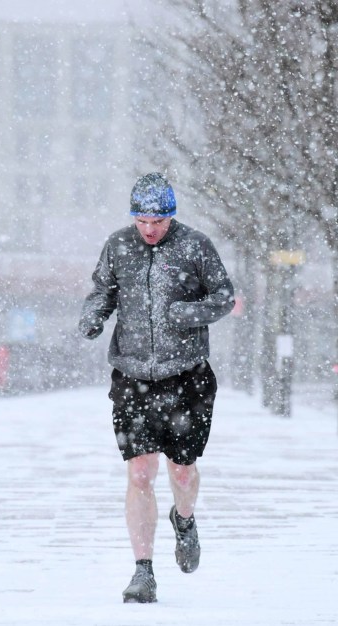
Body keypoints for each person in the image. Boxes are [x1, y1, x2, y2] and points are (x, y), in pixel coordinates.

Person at [78, 172, 235, 603]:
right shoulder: (119, 245)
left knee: (181, 471)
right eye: (143, 220)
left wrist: (187, 314)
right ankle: (143, 571)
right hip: (132, 376)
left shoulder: (196, 246)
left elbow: (224, 298)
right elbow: (101, 292)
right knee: (140, 471)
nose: (150, 229)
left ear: (172, 217)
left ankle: (184, 519)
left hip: (186, 377)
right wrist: (93, 315)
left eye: (158, 221)